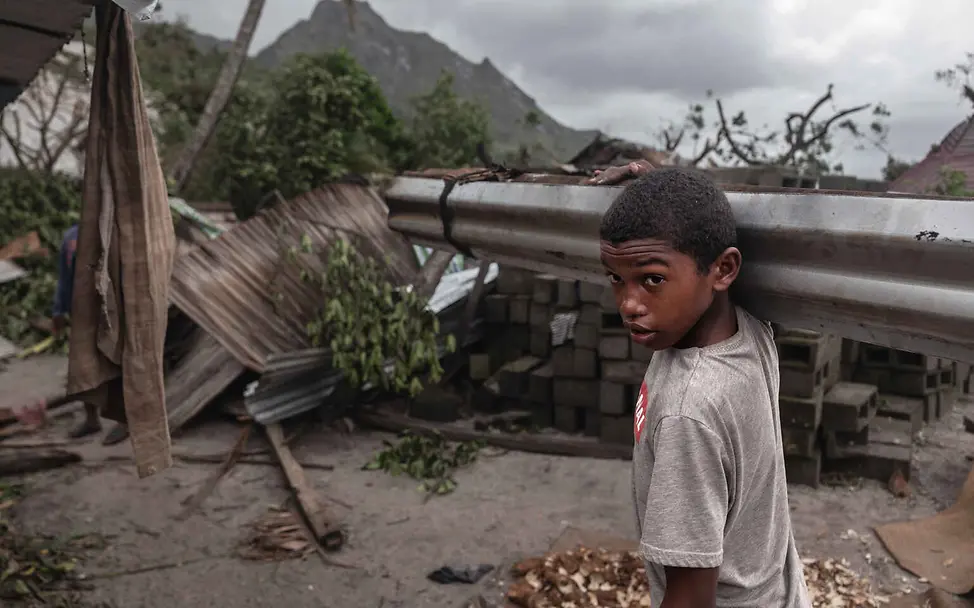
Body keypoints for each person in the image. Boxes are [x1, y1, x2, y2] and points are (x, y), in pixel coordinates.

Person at [589, 161, 810, 607]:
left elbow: (690, 599)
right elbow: (693, 229)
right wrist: (654, 181)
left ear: (723, 270)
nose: (629, 304)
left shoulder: (686, 414)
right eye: (616, 279)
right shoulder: (750, 329)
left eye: (652, 280)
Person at [53, 224, 129, 446]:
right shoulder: (70, 238)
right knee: (82, 368)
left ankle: (124, 419)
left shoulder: (116, 234)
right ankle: (91, 418)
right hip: (81, 312)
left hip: (111, 310)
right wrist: (58, 310)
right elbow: (65, 278)